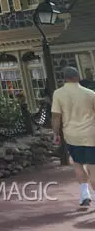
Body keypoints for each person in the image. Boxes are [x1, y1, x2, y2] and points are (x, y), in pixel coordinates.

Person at [51, 65, 95, 208]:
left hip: (71, 135)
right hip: (90, 134)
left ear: (65, 78)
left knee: (78, 164)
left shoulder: (58, 94)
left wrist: (56, 133)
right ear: (77, 77)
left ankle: (85, 195)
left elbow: (56, 116)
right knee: (93, 167)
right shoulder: (90, 93)